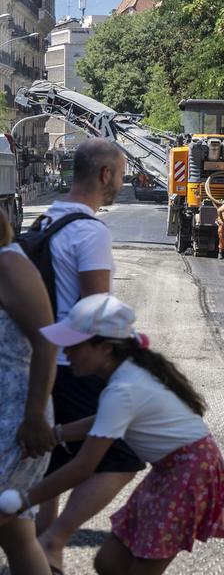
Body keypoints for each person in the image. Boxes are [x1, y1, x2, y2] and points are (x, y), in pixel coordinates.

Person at [0, 293, 224, 575]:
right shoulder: (128, 372)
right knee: (108, 564)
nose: (66, 353)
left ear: (107, 348)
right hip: (173, 470)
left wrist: (23, 501)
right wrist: (57, 434)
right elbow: (101, 421)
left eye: (75, 346)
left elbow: (82, 467)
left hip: (190, 474)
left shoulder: (122, 391)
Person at [35, 138, 145, 575]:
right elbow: (95, 310)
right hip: (79, 364)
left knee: (50, 454)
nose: (122, 181)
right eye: (120, 174)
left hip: (45, 359)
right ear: (104, 175)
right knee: (123, 453)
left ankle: (47, 554)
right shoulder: (91, 230)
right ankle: (54, 538)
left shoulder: (48, 218)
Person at [0, 209, 57, 575]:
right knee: (18, 535)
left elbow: (47, 341)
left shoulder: (8, 264)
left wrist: (35, 416)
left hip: (14, 421)